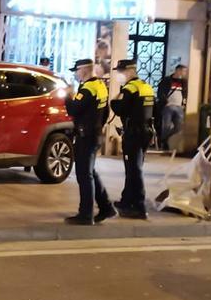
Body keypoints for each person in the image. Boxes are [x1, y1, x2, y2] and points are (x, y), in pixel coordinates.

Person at [64, 58, 115, 226]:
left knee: (84, 176)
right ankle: (106, 207)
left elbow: (72, 109)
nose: (76, 74)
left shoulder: (86, 89)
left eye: (77, 71)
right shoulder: (100, 86)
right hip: (95, 134)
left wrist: (68, 95)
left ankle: (85, 214)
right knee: (90, 172)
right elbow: (106, 112)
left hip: (86, 136)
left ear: (84, 70)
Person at [111, 59, 155, 220]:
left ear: (128, 71)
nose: (118, 75)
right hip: (145, 132)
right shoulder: (146, 87)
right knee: (133, 167)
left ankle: (139, 205)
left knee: (134, 169)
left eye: (120, 72)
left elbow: (118, 108)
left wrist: (114, 98)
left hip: (133, 134)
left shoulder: (130, 89)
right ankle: (126, 200)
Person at [157, 65, 188, 150]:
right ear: (177, 70)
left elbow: (185, 93)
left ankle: (164, 139)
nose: (184, 73)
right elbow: (160, 92)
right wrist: (165, 101)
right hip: (168, 106)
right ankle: (164, 143)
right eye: (183, 71)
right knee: (166, 126)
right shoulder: (167, 80)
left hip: (179, 107)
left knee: (179, 127)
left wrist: (184, 103)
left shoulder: (183, 82)